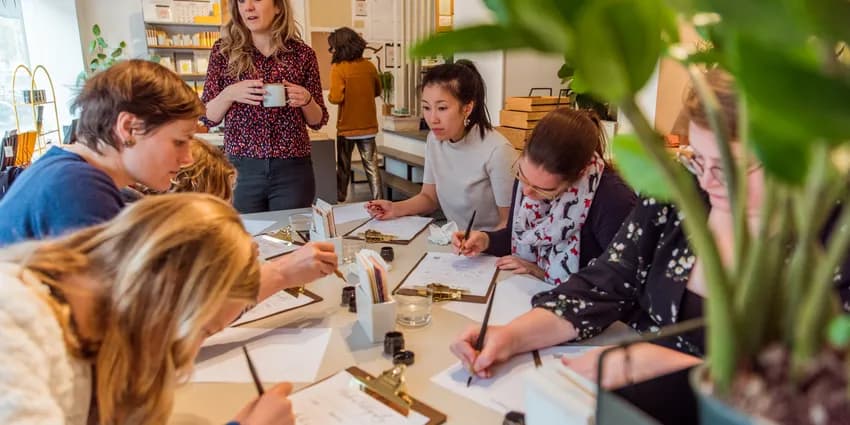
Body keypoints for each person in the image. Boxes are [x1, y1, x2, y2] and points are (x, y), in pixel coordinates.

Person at [449, 69, 772, 388]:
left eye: (729, 166)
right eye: (697, 158)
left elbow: (789, 385)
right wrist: (511, 337)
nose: (707, 180)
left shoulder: (804, 246)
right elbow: (606, 281)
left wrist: (663, 363)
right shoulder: (677, 192)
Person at [0, 59, 337, 324]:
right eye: (179, 141)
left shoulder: (67, 170)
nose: (188, 157)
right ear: (129, 128)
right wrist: (282, 273)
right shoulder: (78, 191)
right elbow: (165, 321)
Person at [0, 194, 295, 424]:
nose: (190, 358)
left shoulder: (97, 339)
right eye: (203, 330)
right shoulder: (13, 324)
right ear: (165, 291)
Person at [452, 108, 636, 285]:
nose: (526, 192)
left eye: (542, 189)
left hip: (582, 300)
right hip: (529, 289)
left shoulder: (613, 201)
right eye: (522, 176)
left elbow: (623, 280)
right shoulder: (530, 178)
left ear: (578, 175)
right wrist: (486, 240)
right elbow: (518, 236)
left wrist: (540, 272)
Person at [203, 0, 329, 213]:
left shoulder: (302, 54)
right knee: (245, 232)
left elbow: (318, 121)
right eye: (241, 1)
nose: (248, 7)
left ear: (278, 6)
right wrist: (230, 93)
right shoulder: (223, 52)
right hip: (241, 169)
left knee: (290, 232)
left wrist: (307, 100)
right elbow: (208, 117)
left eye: (257, 0)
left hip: (292, 168)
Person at [366, 60, 517, 231]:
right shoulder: (434, 140)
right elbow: (429, 198)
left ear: (467, 108)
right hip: (454, 240)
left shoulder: (498, 151)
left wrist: (481, 241)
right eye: (426, 107)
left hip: (487, 245)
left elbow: (508, 224)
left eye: (442, 108)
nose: (432, 119)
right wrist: (394, 208)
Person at [327, 27, 383, 202]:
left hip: (347, 127)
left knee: (344, 166)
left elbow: (336, 97)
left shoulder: (338, 68)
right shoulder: (369, 66)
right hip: (368, 126)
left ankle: (341, 198)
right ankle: (379, 199)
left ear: (340, 47)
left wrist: (330, 96)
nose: (331, 50)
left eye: (332, 47)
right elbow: (377, 91)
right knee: (372, 167)